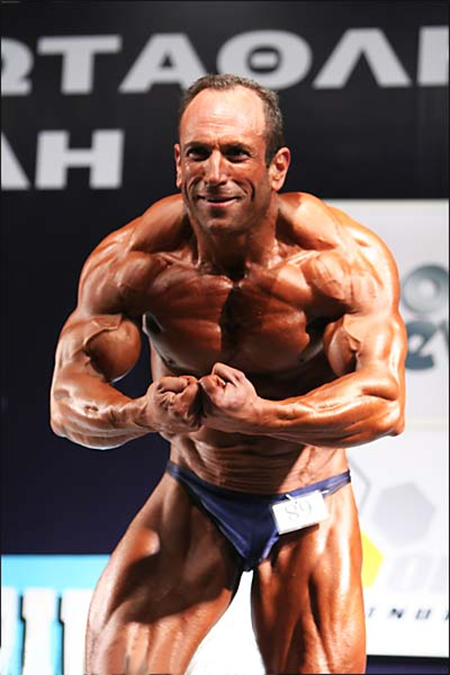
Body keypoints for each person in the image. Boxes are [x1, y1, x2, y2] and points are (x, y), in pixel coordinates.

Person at [50, 73, 407, 675]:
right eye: (199, 153)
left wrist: (263, 415)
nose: (215, 173)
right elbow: (66, 404)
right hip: (197, 491)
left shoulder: (339, 262)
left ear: (276, 167)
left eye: (237, 153)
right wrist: (141, 414)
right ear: (178, 163)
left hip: (307, 502)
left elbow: (384, 403)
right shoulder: (135, 260)